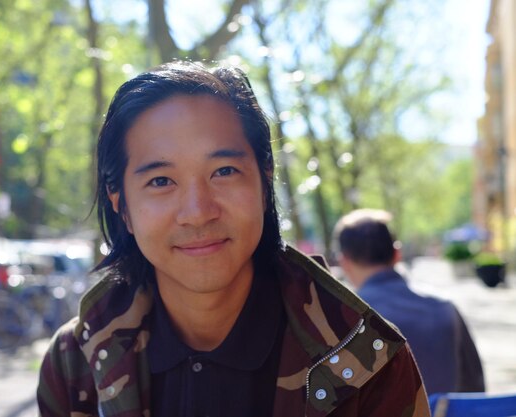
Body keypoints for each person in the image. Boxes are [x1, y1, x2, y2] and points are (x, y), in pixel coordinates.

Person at [37, 61, 429, 417]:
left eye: (223, 171)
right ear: (121, 204)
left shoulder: (365, 360)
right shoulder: (76, 364)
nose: (197, 211)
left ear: (264, 178)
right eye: (160, 181)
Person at [334, 208, 485, 396]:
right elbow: (475, 386)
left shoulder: (343, 319)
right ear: (397, 253)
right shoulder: (444, 307)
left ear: (344, 262)